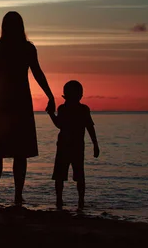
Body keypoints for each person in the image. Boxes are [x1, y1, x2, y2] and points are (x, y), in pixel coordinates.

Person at [0, 11, 55, 204]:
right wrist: (50, 95)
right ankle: (16, 194)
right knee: (17, 152)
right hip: (18, 101)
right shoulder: (24, 48)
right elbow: (37, 72)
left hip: (4, 102)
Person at [47, 80, 100, 210]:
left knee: (67, 176)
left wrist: (51, 114)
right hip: (72, 146)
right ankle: (75, 201)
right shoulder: (76, 109)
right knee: (74, 176)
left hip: (68, 146)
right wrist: (95, 144)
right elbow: (89, 128)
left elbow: (88, 127)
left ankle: (65, 200)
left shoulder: (71, 109)